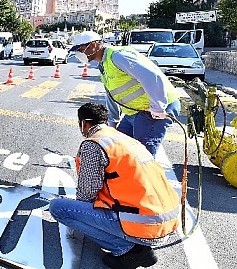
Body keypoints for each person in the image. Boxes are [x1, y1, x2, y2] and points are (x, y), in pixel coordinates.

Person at [49, 103, 179, 269]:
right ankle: (131, 242)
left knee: (58, 208)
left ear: (84, 124)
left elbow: (86, 194)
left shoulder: (93, 144)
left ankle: (130, 250)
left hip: (145, 225)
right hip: (167, 220)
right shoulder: (125, 139)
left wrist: (81, 216)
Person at [69, 31, 180, 157]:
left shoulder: (117, 57)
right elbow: (111, 96)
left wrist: (158, 107)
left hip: (153, 110)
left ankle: (144, 176)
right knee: (119, 146)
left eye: (80, 49)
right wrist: (112, 123)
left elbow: (150, 76)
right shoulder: (103, 65)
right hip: (134, 112)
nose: (78, 54)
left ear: (93, 45)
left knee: (141, 156)